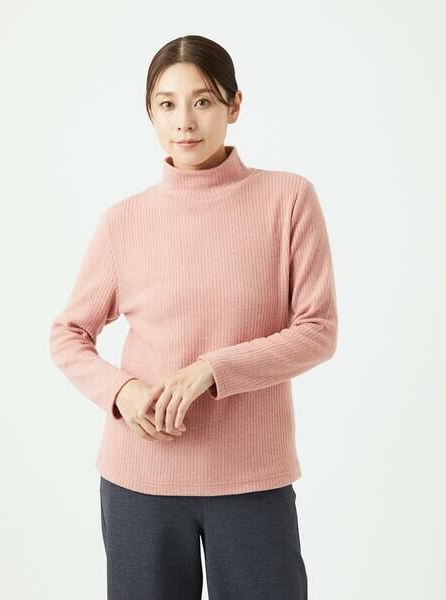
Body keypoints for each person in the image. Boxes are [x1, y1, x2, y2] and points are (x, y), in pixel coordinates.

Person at [49, 34, 338, 600]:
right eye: (167, 104)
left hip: (252, 481)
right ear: (150, 113)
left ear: (234, 105)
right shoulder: (124, 222)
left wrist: (211, 369)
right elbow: (68, 333)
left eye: (202, 101)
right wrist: (122, 391)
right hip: (140, 481)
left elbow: (318, 330)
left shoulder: (288, 200)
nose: (184, 121)